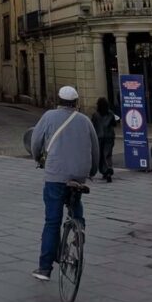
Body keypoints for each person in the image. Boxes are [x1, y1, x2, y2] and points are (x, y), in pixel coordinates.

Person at [30, 85, 99, 281]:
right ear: (76, 103)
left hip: (55, 173)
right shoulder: (85, 121)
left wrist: (37, 158)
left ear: (58, 101)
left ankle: (44, 268)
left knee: (52, 221)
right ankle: (79, 227)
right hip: (79, 174)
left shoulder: (49, 116)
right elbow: (95, 149)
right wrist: (91, 171)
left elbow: (36, 141)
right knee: (75, 201)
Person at [90, 97, 120, 181]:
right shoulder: (110, 113)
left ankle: (104, 171)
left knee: (100, 155)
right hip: (109, 136)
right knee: (107, 154)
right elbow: (114, 124)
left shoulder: (95, 114)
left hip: (99, 137)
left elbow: (93, 124)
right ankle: (108, 169)